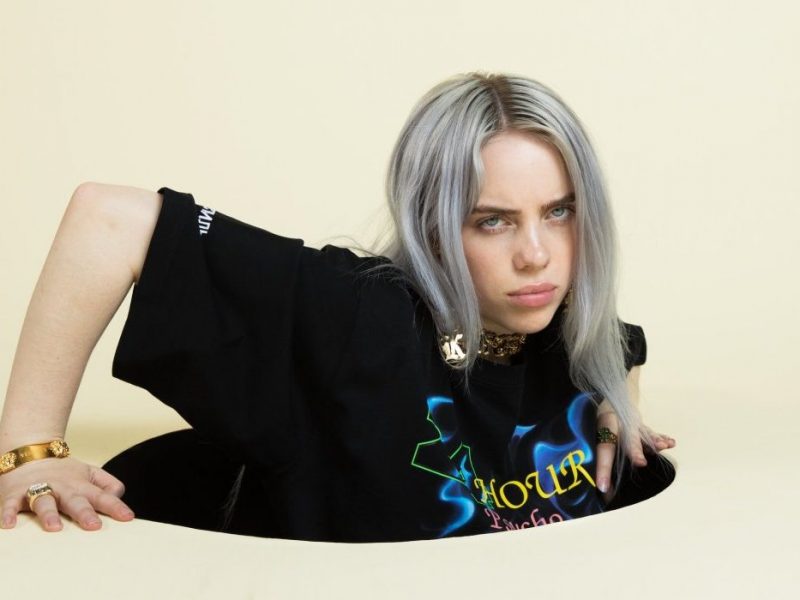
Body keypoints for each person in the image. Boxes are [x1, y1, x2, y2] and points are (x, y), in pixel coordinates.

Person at [0, 72, 676, 542]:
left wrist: (618, 396)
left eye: (559, 212)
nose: (537, 255)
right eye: (491, 221)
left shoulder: (556, 327)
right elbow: (107, 221)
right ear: (432, 226)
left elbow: (619, 339)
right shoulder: (363, 316)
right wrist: (29, 454)